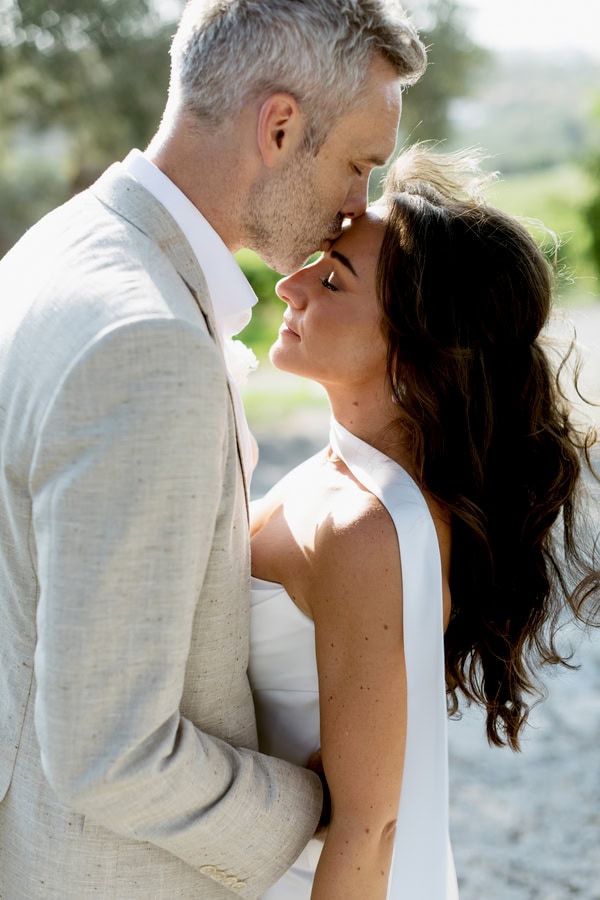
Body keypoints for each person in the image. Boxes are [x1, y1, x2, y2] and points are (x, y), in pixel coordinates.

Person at [0, 2, 427, 897]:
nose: (357, 206)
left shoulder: (55, 248)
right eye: (357, 165)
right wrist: (312, 806)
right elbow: (111, 751)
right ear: (278, 127)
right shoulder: (145, 340)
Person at [248, 145, 600, 899]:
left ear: (411, 352)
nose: (291, 282)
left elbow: (372, 829)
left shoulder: (366, 527)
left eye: (333, 278)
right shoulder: (346, 478)